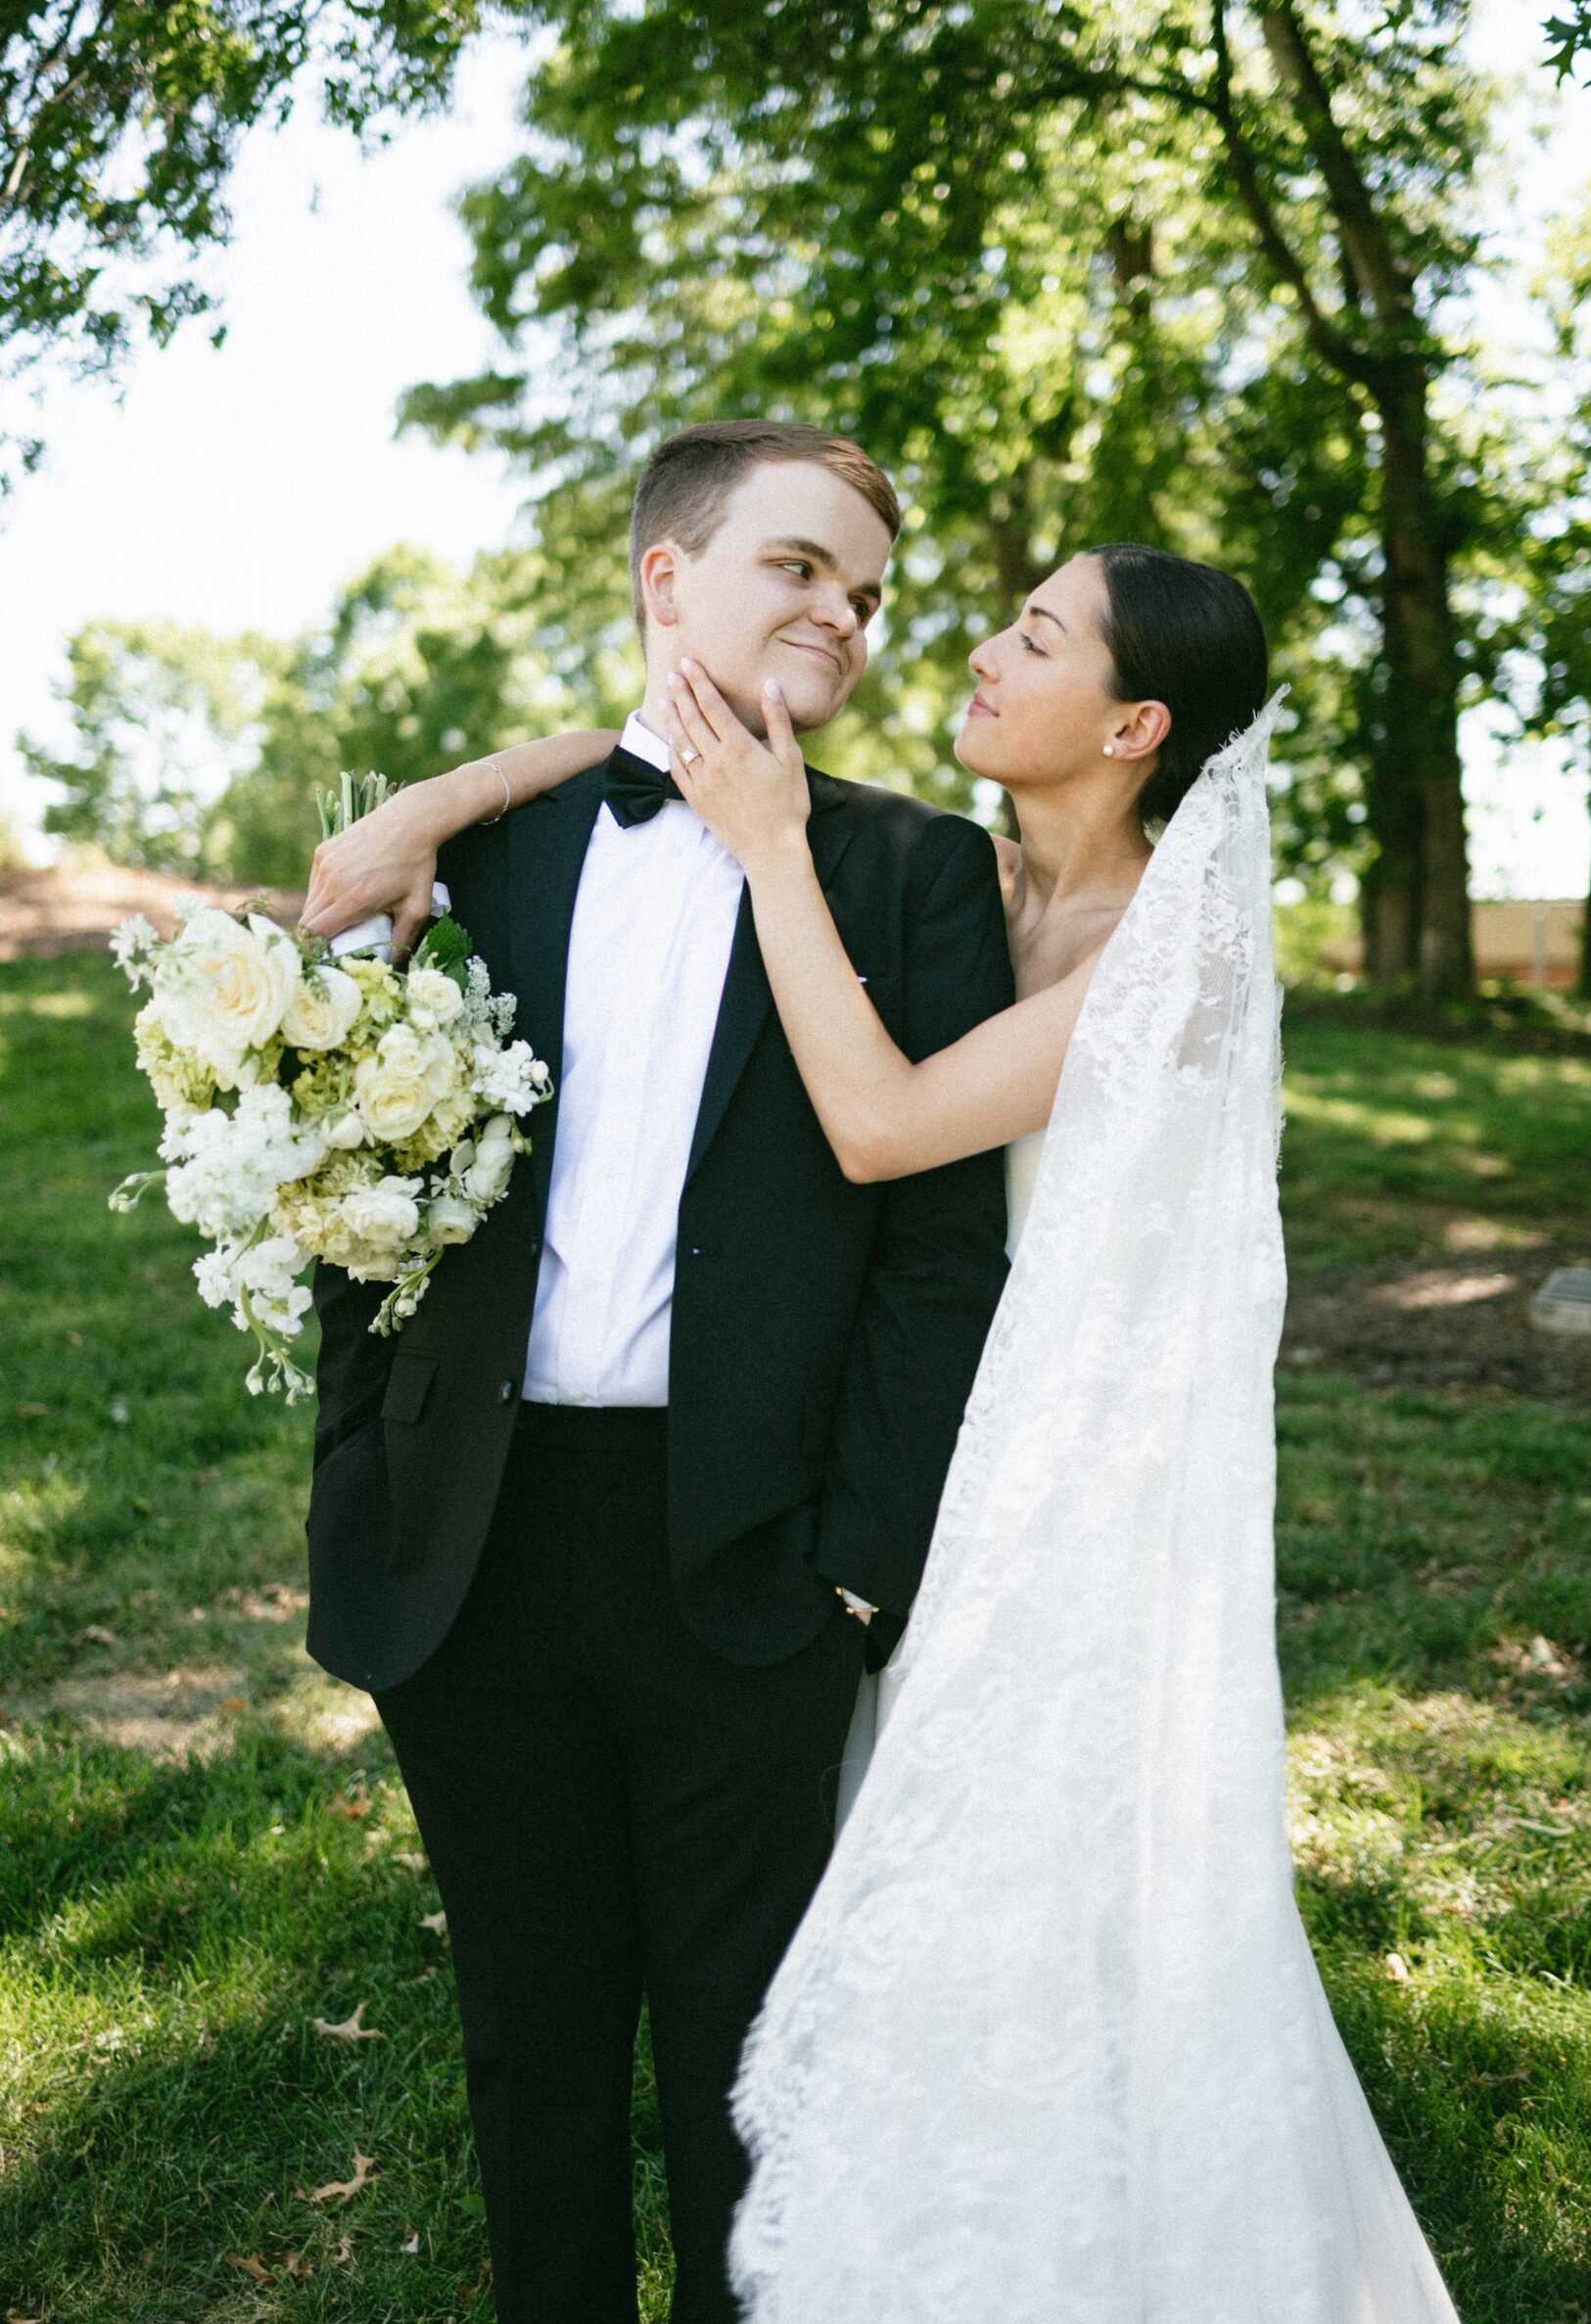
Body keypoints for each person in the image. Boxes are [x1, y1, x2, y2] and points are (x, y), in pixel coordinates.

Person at [305, 534, 1462, 2320]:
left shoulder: (1189, 948)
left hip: (1063, 1502)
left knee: (1031, 1940)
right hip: (920, 1455)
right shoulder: (970, 885)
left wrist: (768, 850)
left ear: (1137, 721)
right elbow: (665, 754)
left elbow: (880, 1126)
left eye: (1037, 634)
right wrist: (448, 798)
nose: (980, 651)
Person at [299, 419, 1016, 2324]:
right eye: (797, 566)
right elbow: (351, 1204)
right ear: (664, 576)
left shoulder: (912, 872)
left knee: (740, 2075)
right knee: (530, 2053)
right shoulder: (478, 857)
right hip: (476, 1546)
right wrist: (367, 1480)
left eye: (864, 592)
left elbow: (942, 1260)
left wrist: (854, 1564)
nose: (842, 617)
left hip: (756, 1554)